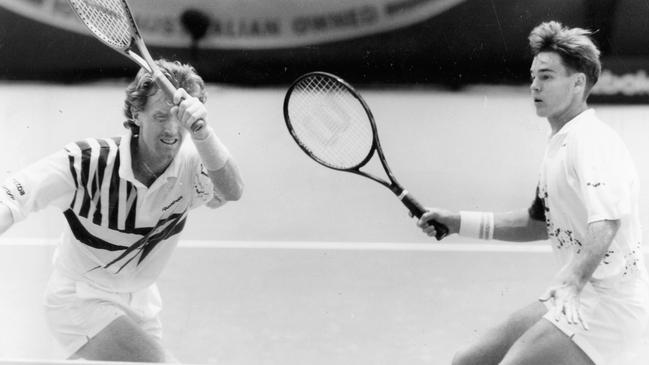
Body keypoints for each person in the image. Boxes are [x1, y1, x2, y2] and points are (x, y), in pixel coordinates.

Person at [417, 21, 649, 365]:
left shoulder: (592, 143)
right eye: (533, 77)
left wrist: (571, 281)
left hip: (609, 306)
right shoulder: (559, 143)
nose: (534, 86)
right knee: (469, 361)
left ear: (577, 83)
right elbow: (536, 223)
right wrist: (457, 222)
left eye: (546, 77)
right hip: (578, 294)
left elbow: (607, 222)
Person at [0, 59, 244, 362]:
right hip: (81, 298)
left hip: (141, 304)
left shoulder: (193, 166)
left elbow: (231, 190)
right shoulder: (88, 163)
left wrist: (203, 132)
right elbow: (11, 198)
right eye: (160, 116)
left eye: (179, 117)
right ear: (135, 114)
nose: (171, 129)